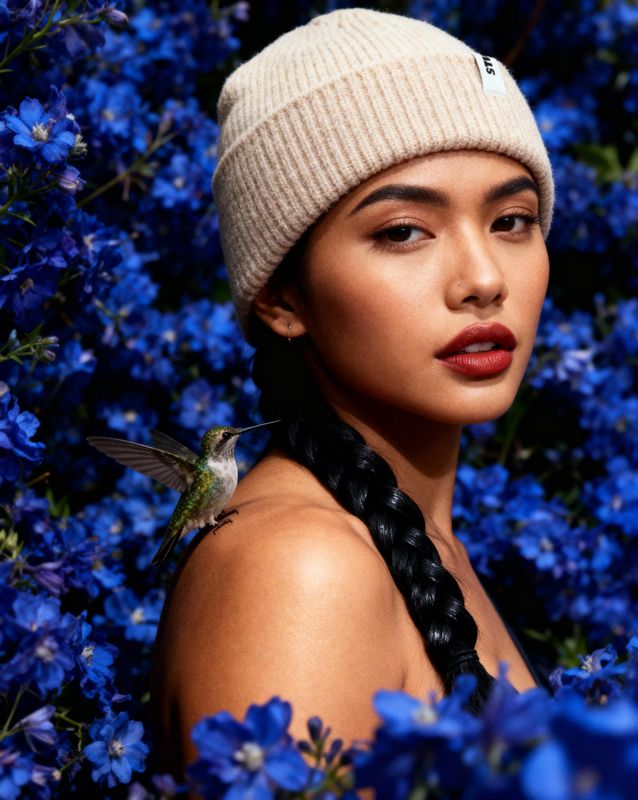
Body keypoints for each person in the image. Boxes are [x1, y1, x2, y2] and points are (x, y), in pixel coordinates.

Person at [150, 6, 555, 777]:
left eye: (511, 220)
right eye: (403, 231)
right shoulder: (300, 571)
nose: (483, 279)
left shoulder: (419, 545)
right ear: (283, 300)